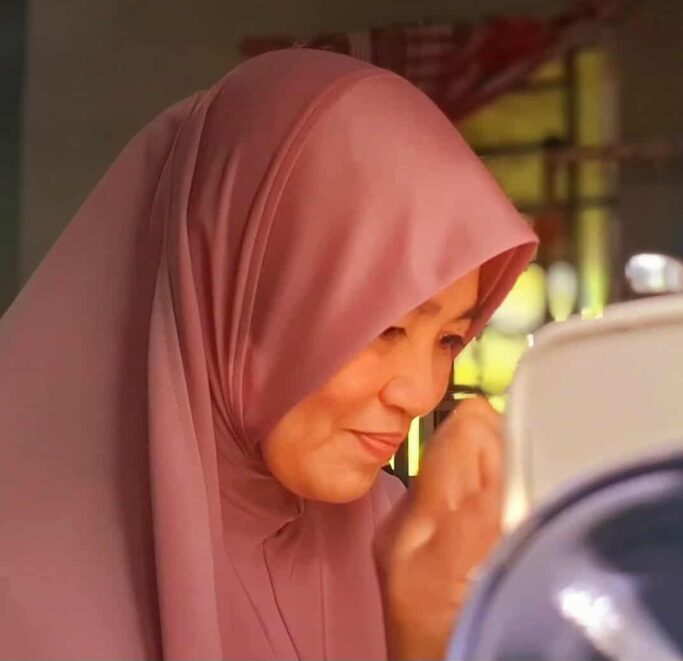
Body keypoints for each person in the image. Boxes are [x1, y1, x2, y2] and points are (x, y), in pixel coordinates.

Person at [0, 49, 536, 660]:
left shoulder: (409, 547)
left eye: (448, 341)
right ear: (236, 293)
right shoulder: (25, 584)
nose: (419, 392)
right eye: (385, 328)